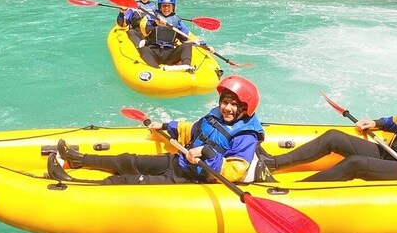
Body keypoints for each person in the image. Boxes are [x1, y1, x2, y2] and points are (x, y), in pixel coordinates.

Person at [259, 36, 397, 182]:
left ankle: (293, 192)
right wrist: (378, 123)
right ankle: (271, 164)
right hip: (394, 151)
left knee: (355, 164)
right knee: (333, 137)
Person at [47, 76, 271, 184]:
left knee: (126, 181)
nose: (227, 108)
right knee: (127, 161)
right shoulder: (216, 114)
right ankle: (78, 159)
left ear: (245, 108)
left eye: (234, 105)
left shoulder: (245, 136)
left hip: (193, 179)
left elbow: (234, 172)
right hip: (179, 161)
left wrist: (206, 153)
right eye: (225, 102)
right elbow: (193, 129)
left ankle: (71, 182)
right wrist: (165, 126)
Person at [136, 0, 202, 72]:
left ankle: (187, 67)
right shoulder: (152, 17)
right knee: (143, 49)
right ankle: (155, 69)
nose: (166, 8)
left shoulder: (176, 20)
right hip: (154, 51)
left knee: (187, 46)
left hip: (169, 54)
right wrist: (155, 23)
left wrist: (204, 45)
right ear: (160, 7)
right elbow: (144, 30)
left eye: (169, 6)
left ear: (173, 7)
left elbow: (187, 36)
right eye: (164, 6)